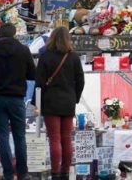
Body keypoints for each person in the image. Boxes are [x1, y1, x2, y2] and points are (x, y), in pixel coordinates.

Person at [0, 23, 36, 180]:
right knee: (20, 136)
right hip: (17, 99)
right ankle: (23, 173)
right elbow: (33, 74)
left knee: (3, 136)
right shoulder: (23, 50)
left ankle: (7, 174)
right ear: (14, 33)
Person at [33, 27, 84, 180]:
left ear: (52, 38)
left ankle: (55, 173)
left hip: (50, 102)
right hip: (68, 102)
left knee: (54, 138)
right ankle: (65, 173)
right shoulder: (74, 57)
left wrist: (37, 103)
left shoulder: (45, 56)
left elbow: (39, 82)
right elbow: (80, 81)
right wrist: (75, 98)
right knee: (67, 138)